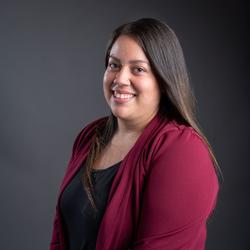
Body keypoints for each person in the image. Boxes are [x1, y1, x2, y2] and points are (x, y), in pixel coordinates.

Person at [50, 18, 219, 250]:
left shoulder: (183, 150)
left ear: (163, 79)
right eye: (114, 65)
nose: (119, 79)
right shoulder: (90, 137)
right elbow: (61, 236)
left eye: (138, 69)